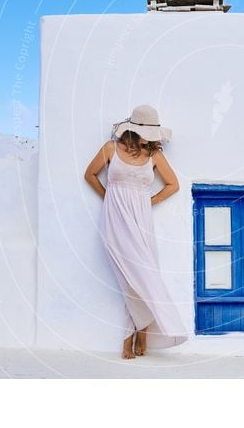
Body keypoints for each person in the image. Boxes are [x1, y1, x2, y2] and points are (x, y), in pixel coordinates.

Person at [84, 104, 188, 359]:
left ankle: (138, 333)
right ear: (132, 130)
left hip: (141, 221)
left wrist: (150, 201)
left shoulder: (154, 155)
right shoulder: (111, 149)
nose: (151, 139)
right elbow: (90, 175)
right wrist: (109, 198)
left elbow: (173, 185)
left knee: (145, 276)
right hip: (115, 219)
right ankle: (135, 333)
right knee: (128, 277)